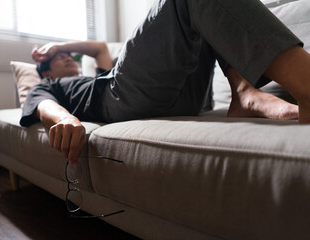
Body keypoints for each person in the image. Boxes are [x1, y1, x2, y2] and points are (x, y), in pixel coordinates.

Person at [21, 0, 310, 165]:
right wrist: (67, 119)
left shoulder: (94, 72)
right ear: (46, 73)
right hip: (118, 99)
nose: (69, 58)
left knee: (206, 22)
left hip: (186, 97)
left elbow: (99, 49)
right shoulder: (48, 86)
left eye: (68, 56)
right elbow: (43, 106)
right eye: (61, 60)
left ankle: (244, 92)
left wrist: (58, 46)